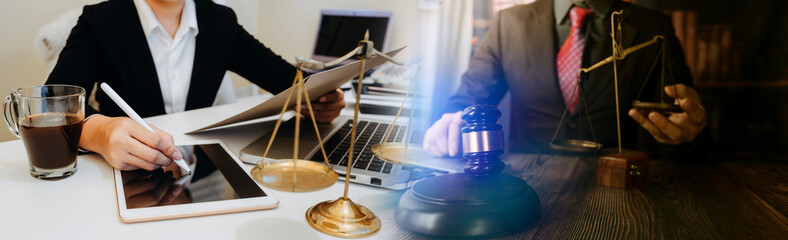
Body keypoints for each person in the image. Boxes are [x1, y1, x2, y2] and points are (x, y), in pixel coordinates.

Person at [46, 0, 346, 171]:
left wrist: (317, 100)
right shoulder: (100, 20)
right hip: (119, 172)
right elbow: (52, 105)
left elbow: (288, 81)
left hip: (199, 171)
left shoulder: (220, 20)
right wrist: (100, 132)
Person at [423, 0, 707, 159]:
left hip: (617, 182)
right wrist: (453, 120)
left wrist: (684, 130)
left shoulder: (653, 27)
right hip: (527, 182)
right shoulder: (508, 23)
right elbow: (468, 100)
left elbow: (678, 108)